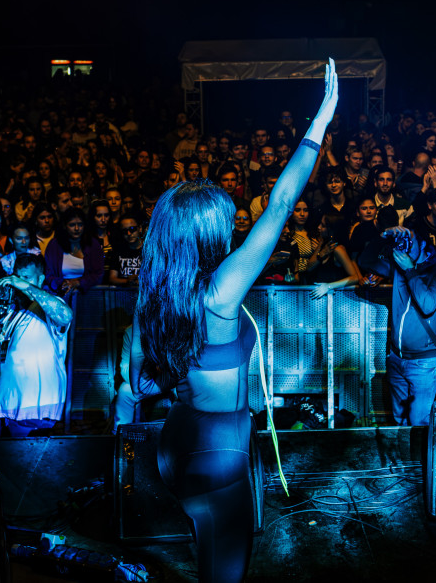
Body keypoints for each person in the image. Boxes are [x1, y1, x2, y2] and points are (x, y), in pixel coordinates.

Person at [129, 59, 338, 583]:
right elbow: (282, 203)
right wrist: (319, 123)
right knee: (224, 573)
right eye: (225, 221)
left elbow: (139, 382)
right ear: (204, 234)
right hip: (217, 453)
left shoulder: (156, 292)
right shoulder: (220, 293)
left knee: (208, 557)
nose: (234, 225)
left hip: (181, 441)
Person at [0, 255, 72, 437]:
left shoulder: (49, 305)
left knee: (37, 458)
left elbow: (65, 315)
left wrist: (22, 284)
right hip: (9, 403)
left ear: (40, 279)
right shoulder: (10, 312)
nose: (18, 283)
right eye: (17, 277)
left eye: (27, 278)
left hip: (38, 405)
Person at [381, 225, 436, 426]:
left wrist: (411, 270)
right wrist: (385, 236)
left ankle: (420, 459)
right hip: (396, 358)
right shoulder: (398, 268)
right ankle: (403, 458)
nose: (406, 244)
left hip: (424, 363)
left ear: (423, 244)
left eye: (410, 240)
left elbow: (427, 305)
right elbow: (366, 261)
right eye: (403, 240)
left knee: (418, 422)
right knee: (399, 420)